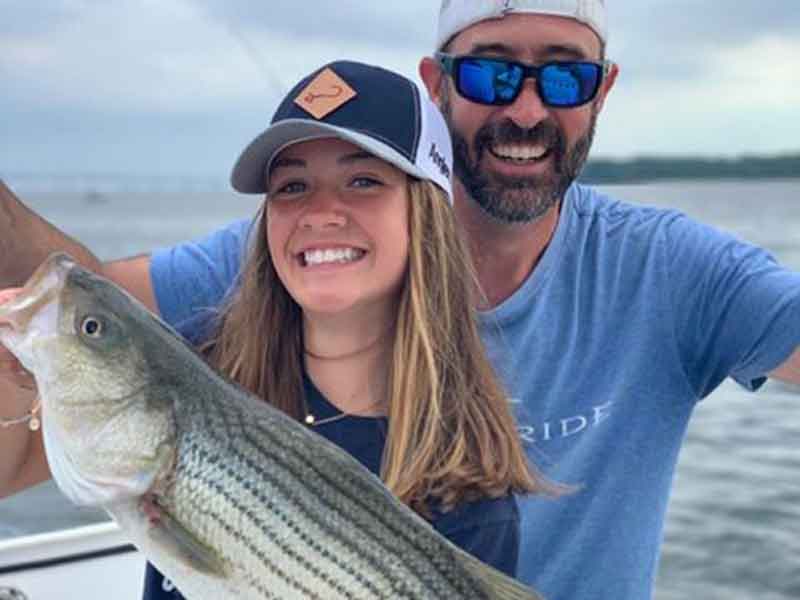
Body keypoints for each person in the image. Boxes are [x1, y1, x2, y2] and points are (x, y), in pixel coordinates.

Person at [1, 1, 799, 599]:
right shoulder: (283, 267)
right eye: (490, 72)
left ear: (604, 89)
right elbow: (79, 303)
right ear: (437, 82)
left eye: (565, 75)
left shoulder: (675, 269)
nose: (526, 109)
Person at [0, 61, 552, 599]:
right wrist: (34, 375)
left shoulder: (466, 486)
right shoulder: (202, 361)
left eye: (363, 180)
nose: (321, 211)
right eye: (291, 187)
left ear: (425, 212)